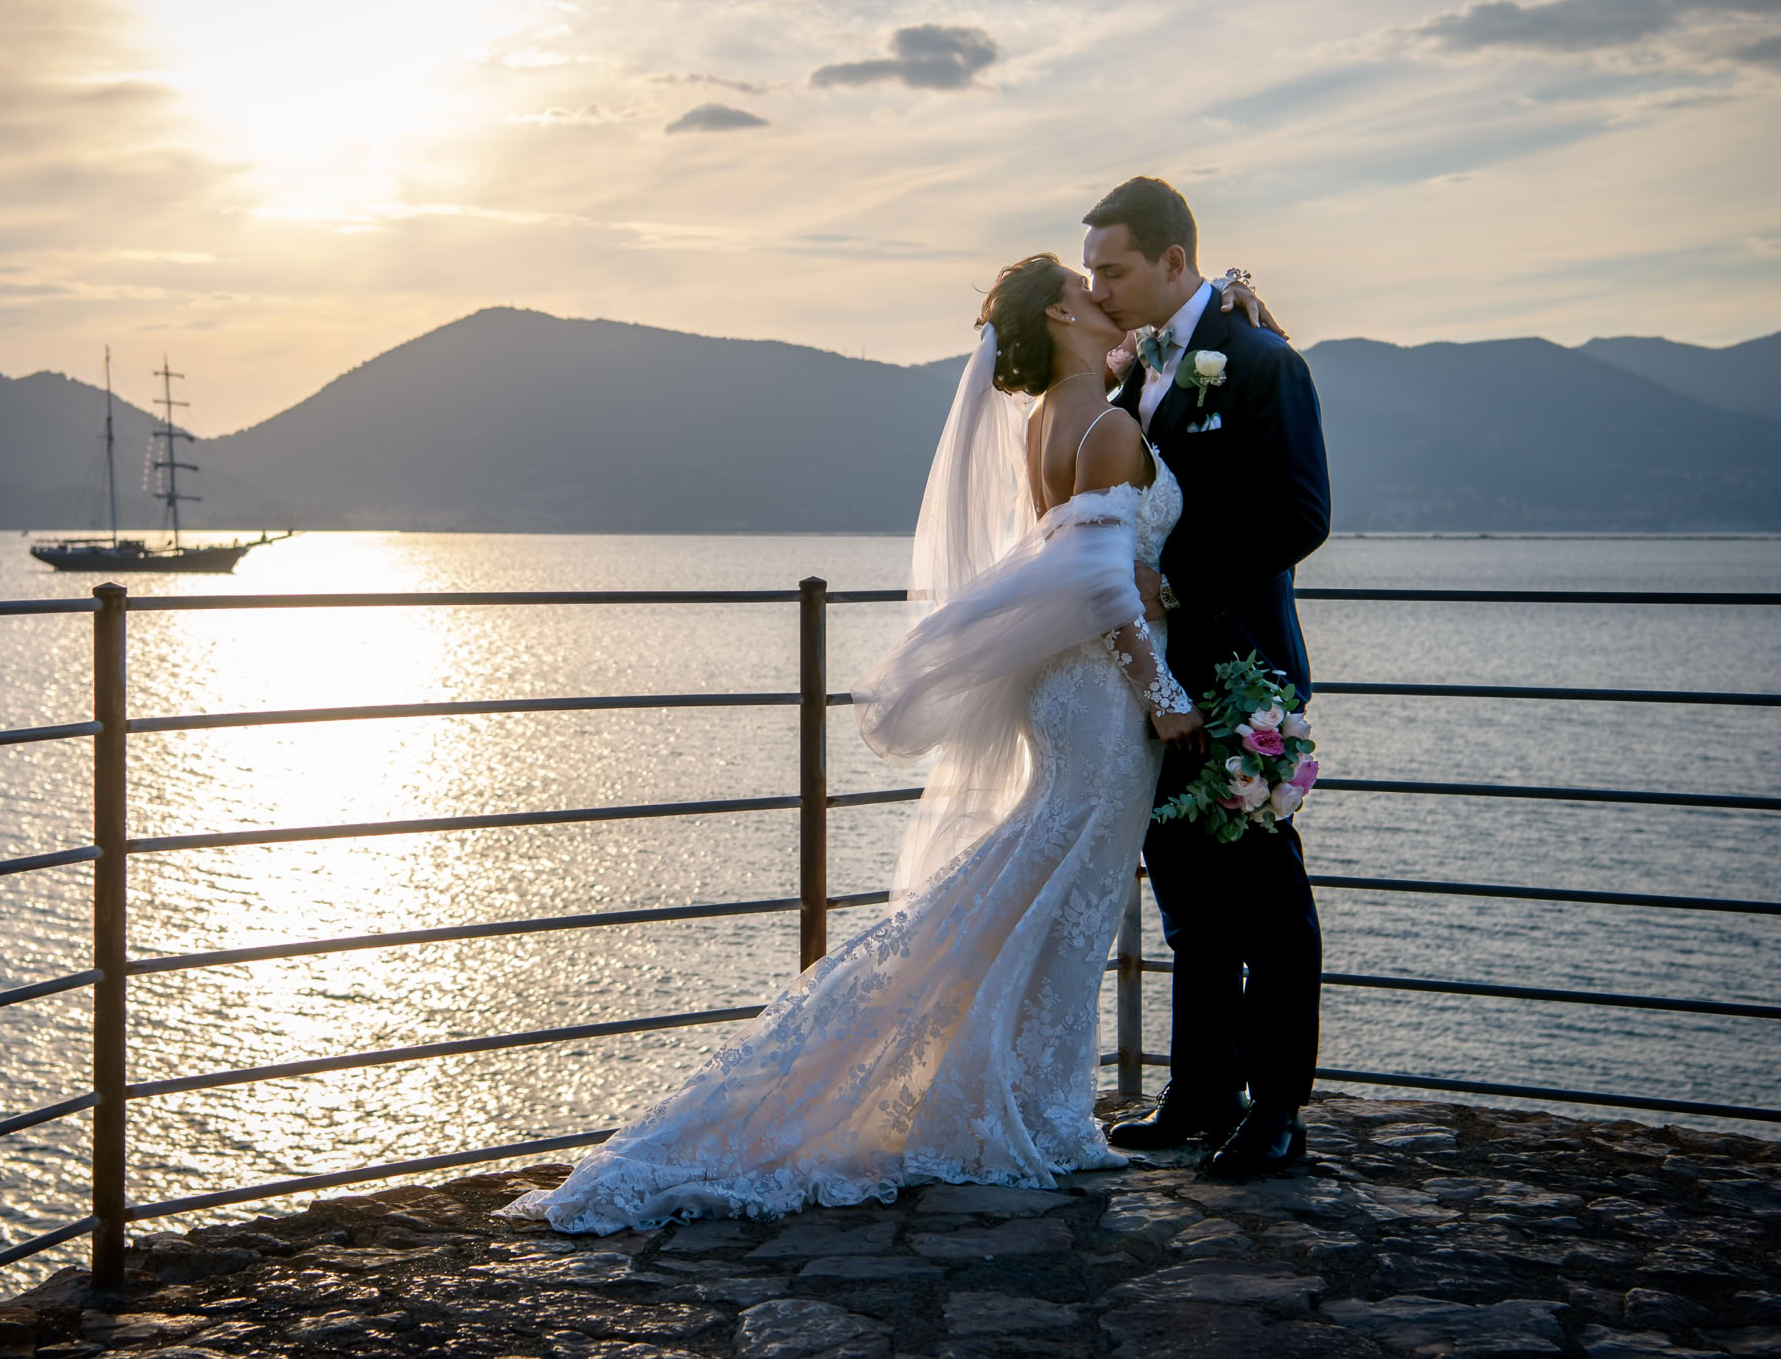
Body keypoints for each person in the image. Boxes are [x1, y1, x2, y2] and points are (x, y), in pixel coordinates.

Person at [495, 253, 1272, 1235]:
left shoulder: (1058, 417)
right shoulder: (1102, 422)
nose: (1104, 295)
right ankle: (1024, 1109)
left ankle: (1034, 1102)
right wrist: (1162, 693)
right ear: (1061, 313)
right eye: (1088, 285)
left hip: (1079, 689)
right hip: (1108, 694)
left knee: (1044, 893)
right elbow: (1098, 574)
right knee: (1055, 893)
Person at [1083, 176, 1330, 1179]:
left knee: (1266, 895)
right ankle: (1198, 1092)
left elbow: (1302, 514)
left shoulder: (1265, 362)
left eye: (1115, 268)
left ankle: (1277, 1108)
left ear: (1174, 262)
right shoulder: (1130, 371)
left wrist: (1172, 580)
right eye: (1091, 271)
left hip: (1238, 673)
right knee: (1187, 896)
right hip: (1156, 687)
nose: (1099, 286)